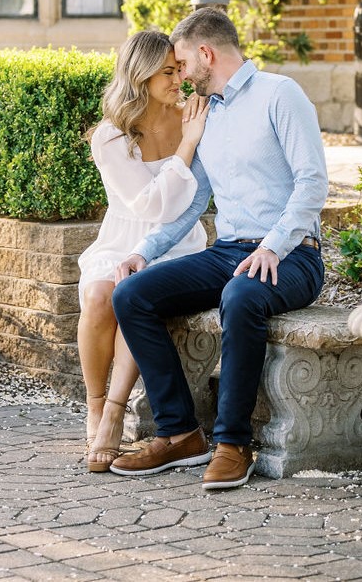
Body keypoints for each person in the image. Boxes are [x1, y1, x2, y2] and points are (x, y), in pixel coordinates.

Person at [109, 7, 328, 490]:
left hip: (293, 254)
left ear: (206, 53)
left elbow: (313, 183)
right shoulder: (208, 114)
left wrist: (273, 245)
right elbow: (193, 200)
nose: (181, 76)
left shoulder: (280, 94)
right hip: (229, 250)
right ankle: (181, 434)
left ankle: (233, 444)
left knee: (241, 295)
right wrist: (145, 249)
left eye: (183, 64)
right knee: (131, 294)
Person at [77, 30, 209, 473]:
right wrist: (187, 145)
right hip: (123, 237)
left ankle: (115, 412)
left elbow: (182, 209)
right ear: (141, 76)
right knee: (99, 295)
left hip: (176, 243)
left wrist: (189, 136)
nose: (180, 80)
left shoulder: (190, 116)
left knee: (131, 291)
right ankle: (95, 407)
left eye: (179, 70)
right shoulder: (111, 137)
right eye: (169, 73)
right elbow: (151, 204)